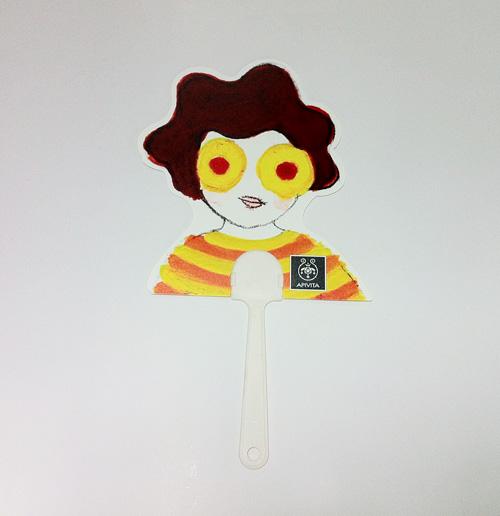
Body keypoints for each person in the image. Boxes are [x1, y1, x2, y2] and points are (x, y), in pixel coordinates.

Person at [142, 64, 366, 301]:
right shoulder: (186, 264)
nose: (252, 186)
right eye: (221, 165)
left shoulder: (311, 260)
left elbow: (345, 305)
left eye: (283, 170)